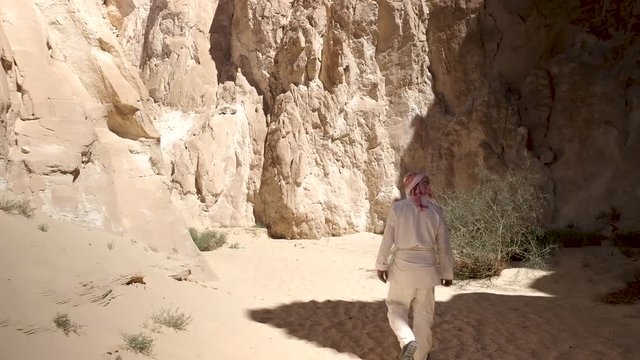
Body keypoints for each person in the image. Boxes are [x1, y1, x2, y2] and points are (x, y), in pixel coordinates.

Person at [375, 172, 454, 360]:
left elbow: (387, 240)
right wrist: (447, 273)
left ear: (409, 187)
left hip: (402, 270)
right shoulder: (436, 212)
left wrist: (382, 264)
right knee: (424, 317)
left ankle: (407, 339)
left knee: (396, 307)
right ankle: (420, 357)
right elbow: (444, 246)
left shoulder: (398, 208)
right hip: (427, 272)